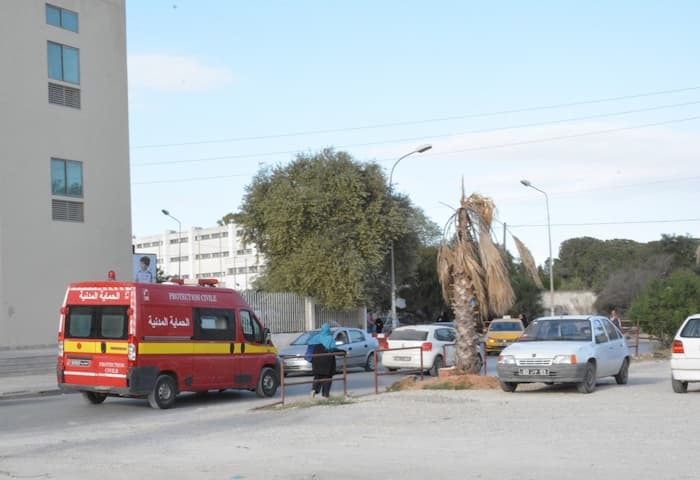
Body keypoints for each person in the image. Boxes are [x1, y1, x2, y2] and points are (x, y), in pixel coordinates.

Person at [307, 323, 340, 399]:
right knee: (327, 378)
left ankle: (314, 390)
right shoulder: (329, 338)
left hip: (316, 362)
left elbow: (310, 346)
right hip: (327, 362)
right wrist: (344, 353)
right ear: (328, 330)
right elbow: (334, 350)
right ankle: (325, 395)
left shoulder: (316, 338)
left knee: (317, 376)